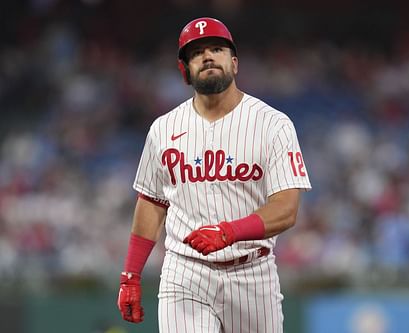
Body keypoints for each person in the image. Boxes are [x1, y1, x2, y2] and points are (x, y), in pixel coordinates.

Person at [117, 17, 311, 333]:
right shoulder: (163, 129)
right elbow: (151, 202)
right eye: (197, 53)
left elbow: (286, 209)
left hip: (252, 272)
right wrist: (130, 275)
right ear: (185, 71)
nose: (208, 56)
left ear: (234, 64)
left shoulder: (272, 125)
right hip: (185, 272)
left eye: (217, 49)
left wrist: (229, 232)